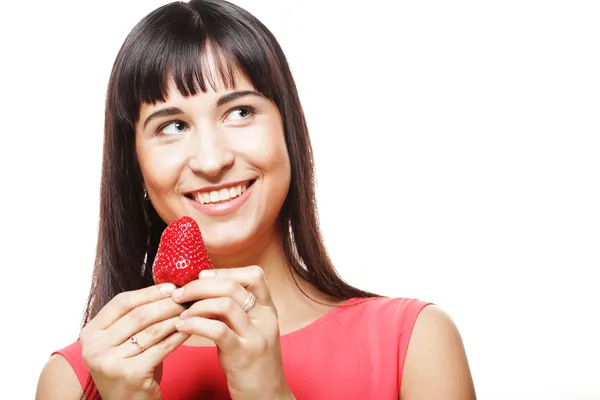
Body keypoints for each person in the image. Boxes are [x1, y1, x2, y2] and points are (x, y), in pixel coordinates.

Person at [36, 1, 476, 399]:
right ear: (134, 165)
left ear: (289, 131)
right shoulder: (75, 380)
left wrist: (268, 394)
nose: (211, 160)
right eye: (171, 125)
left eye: (240, 112)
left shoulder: (414, 342)